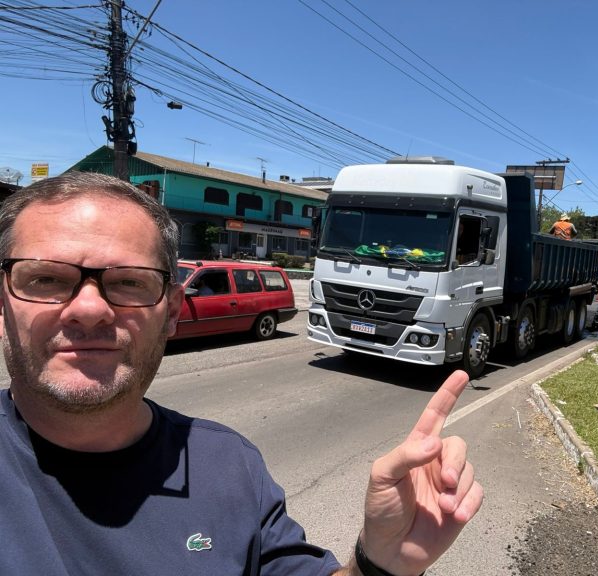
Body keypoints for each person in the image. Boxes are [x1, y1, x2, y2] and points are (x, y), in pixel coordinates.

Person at [0, 172, 483, 575]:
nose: (89, 309)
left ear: (171, 311)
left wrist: (380, 564)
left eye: (129, 282)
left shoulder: (229, 465)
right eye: (45, 278)